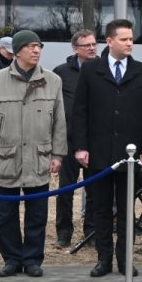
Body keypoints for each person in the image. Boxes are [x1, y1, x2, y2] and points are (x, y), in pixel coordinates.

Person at [0, 30, 66, 277]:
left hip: (39, 157)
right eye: (30, 46)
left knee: (37, 213)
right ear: (17, 51)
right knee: (5, 214)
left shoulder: (53, 80)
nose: (36, 50)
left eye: (38, 46)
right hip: (6, 158)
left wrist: (58, 154)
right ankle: (12, 259)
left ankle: (33, 260)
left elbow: (59, 121)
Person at [73, 19, 142, 278]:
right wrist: (80, 147)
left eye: (131, 39)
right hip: (97, 153)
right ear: (109, 41)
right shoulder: (91, 71)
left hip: (129, 155)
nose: (130, 43)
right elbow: (80, 112)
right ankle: (103, 260)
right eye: (124, 39)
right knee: (100, 210)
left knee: (125, 211)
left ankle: (125, 260)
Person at [52, 29, 98, 247]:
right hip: (69, 141)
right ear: (75, 48)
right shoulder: (61, 73)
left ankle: (91, 232)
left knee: (95, 191)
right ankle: (64, 232)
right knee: (66, 189)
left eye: (93, 44)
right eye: (86, 45)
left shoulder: (103, 68)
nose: (91, 48)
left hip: (95, 140)